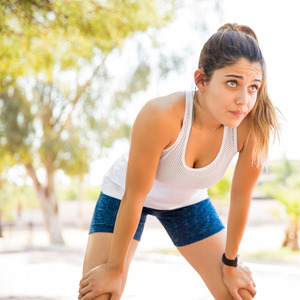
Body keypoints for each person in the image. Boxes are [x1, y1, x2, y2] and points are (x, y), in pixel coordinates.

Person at [78, 23, 280, 300]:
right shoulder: (161, 115)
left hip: (186, 203)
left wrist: (230, 263)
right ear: (201, 81)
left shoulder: (251, 129)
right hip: (124, 197)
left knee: (238, 294)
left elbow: (241, 198)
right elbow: (135, 196)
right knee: (100, 294)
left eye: (253, 87)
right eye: (232, 83)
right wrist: (115, 268)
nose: (243, 100)